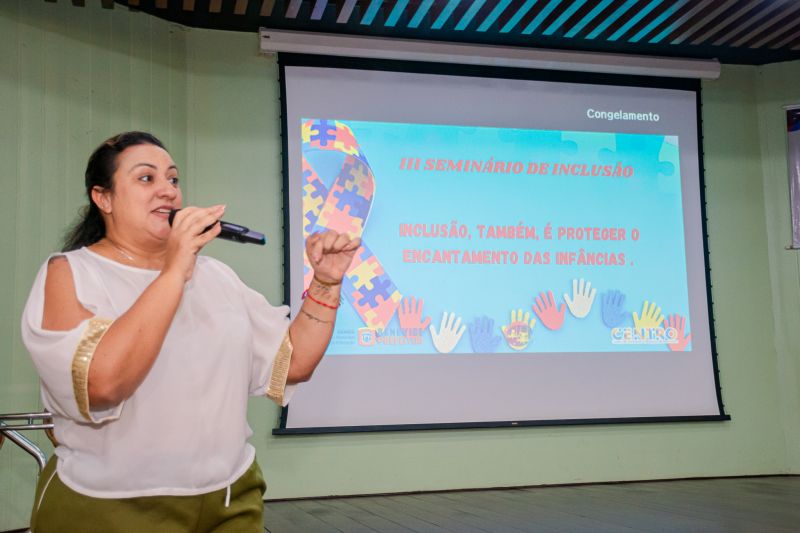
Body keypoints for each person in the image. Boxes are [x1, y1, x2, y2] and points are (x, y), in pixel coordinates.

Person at [20, 131, 359, 532]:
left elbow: (294, 363)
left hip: (231, 500)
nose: (168, 191)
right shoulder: (71, 273)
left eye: (173, 179)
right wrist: (175, 269)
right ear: (103, 198)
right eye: (146, 178)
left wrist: (326, 283)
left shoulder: (217, 276)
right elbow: (102, 385)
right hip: (110, 506)